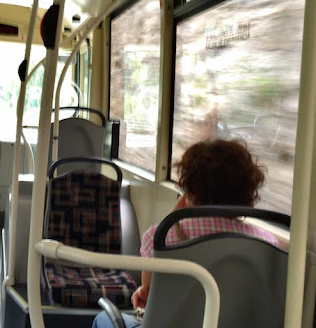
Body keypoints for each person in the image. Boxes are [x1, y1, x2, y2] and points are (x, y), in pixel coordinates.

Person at [92, 139, 278, 328]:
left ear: (190, 189)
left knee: (103, 319)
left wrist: (173, 219)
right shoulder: (267, 244)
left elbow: (149, 299)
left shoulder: (161, 237)